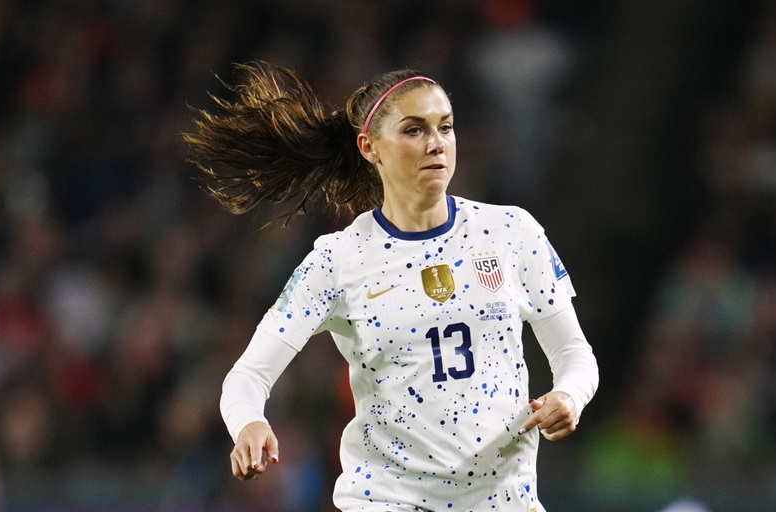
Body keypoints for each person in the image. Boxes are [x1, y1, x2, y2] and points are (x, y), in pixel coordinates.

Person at [184, 61, 599, 511]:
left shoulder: (512, 233)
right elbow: (248, 376)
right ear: (370, 147)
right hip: (387, 502)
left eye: (446, 126)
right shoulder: (338, 260)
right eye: (414, 130)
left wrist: (568, 395)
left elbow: (574, 355)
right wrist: (249, 423)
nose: (437, 143)